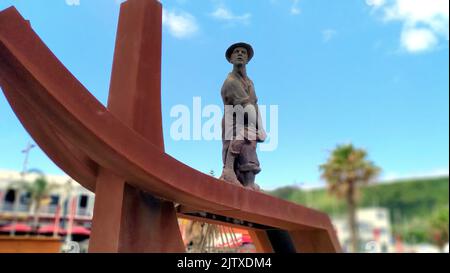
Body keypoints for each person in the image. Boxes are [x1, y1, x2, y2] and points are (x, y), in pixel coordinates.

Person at [219, 42, 266, 191]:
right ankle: (228, 172)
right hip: (233, 121)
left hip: (248, 119)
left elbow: (255, 105)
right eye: (236, 52)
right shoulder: (231, 82)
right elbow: (246, 107)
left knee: (250, 146)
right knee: (237, 144)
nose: (240, 54)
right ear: (231, 59)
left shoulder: (250, 82)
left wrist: (261, 128)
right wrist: (258, 129)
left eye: (243, 52)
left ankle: (248, 183)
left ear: (247, 59)